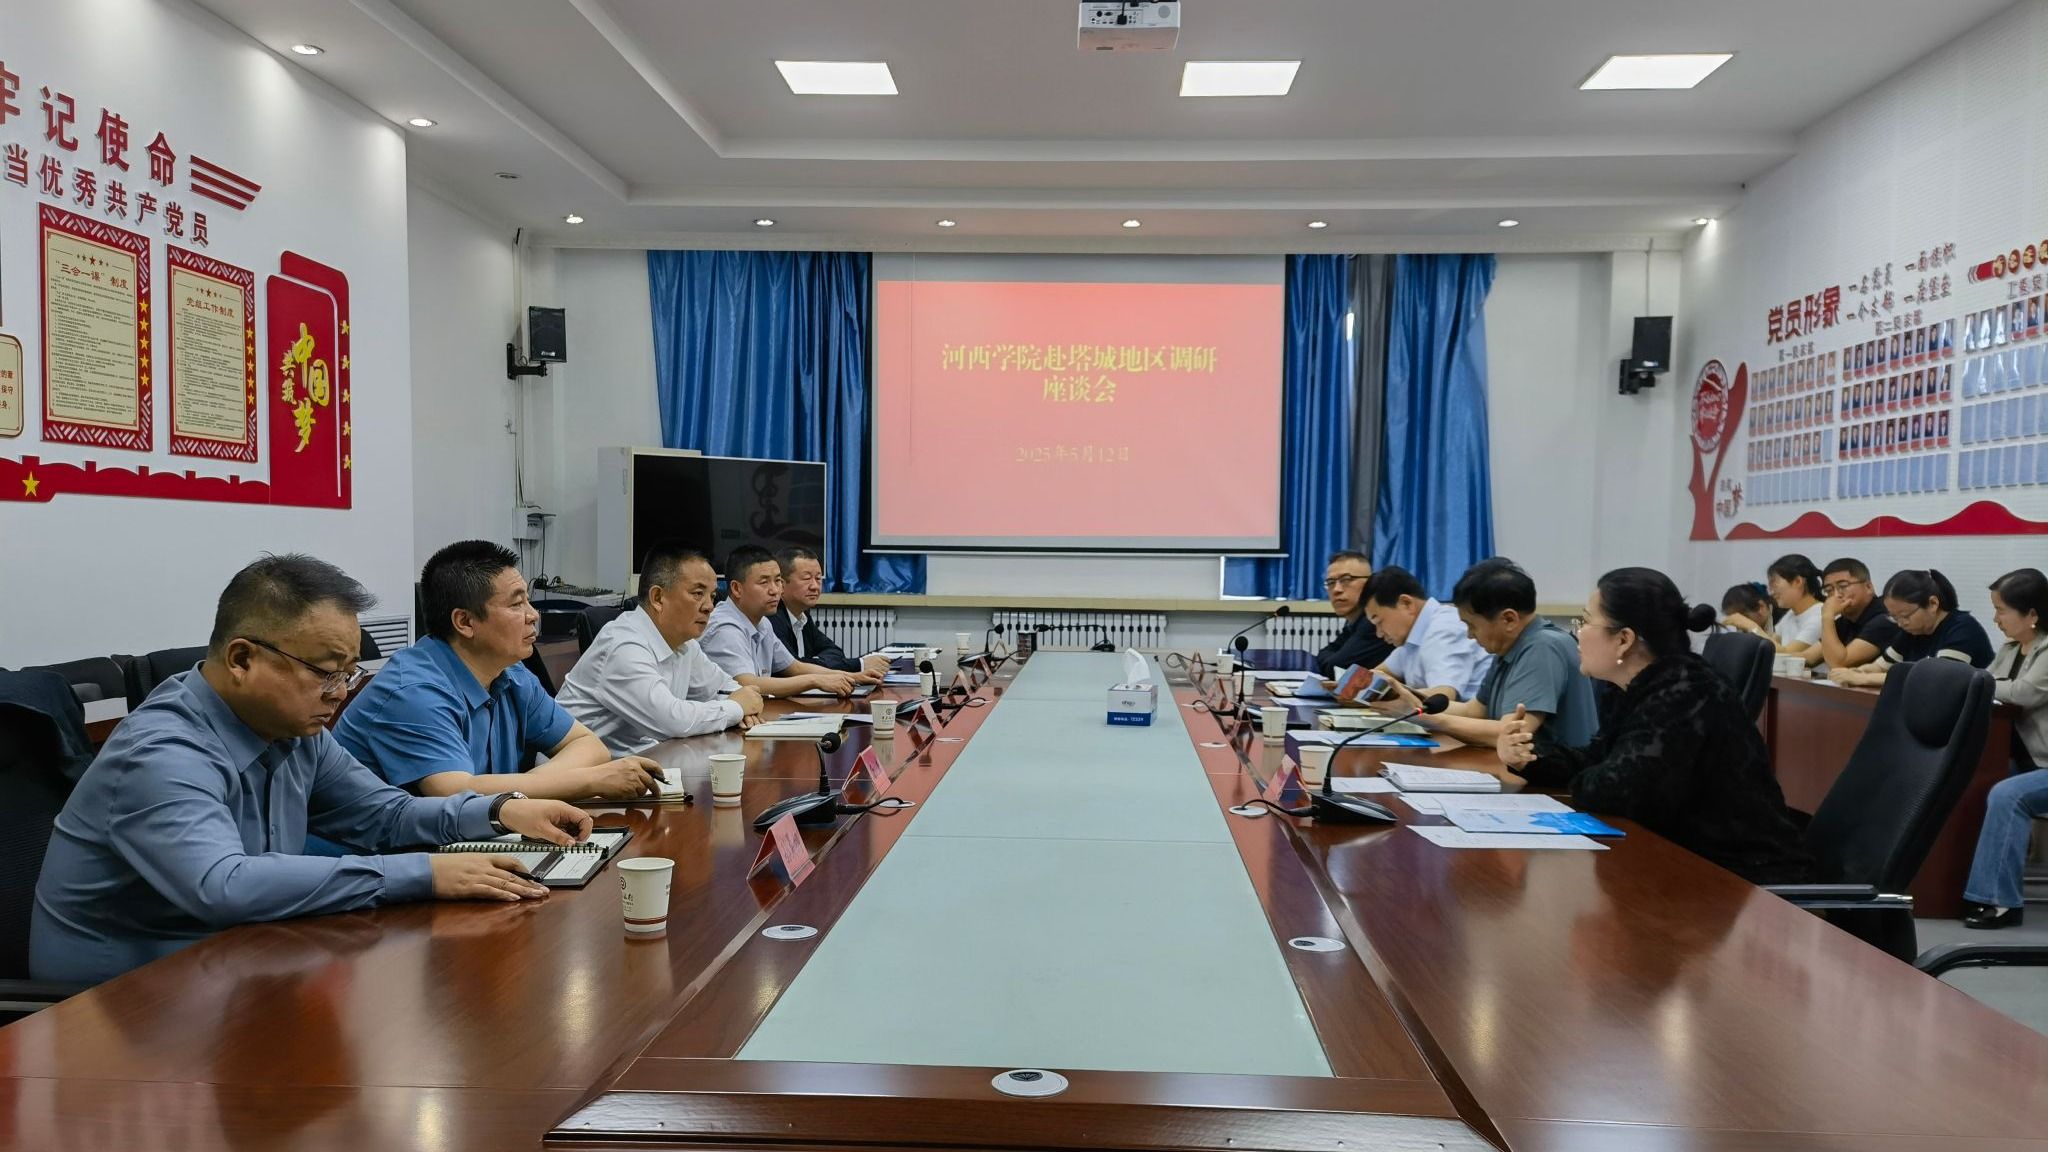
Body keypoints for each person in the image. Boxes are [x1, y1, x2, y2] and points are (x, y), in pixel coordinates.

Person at [30, 555, 593, 986]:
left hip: (237, 960)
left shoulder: (295, 731)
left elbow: (384, 815)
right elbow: (223, 885)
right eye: (326, 673)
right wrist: (423, 873)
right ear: (242, 659)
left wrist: (499, 811)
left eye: (348, 673)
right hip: (119, 1003)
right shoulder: (161, 752)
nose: (339, 694)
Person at [1498, 568, 1813, 886]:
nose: (1577, 634)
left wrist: (1589, 776)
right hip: (1687, 865)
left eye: (1585, 622)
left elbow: (1622, 791)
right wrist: (1530, 757)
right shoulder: (1635, 687)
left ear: (1624, 639)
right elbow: (1599, 760)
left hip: (1744, 880)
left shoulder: (1686, 692)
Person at [336, 540, 666, 801]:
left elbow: (588, 745)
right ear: (465, 621)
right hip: (371, 858)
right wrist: (586, 781)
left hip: (470, 842)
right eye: (516, 603)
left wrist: (524, 789)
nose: (533, 615)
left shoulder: (512, 674)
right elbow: (455, 793)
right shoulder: (413, 691)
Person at [556, 542, 765, 754]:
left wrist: (743, 704)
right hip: (577, 769)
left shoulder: (685, 643)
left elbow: (723, 688)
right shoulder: (623, 645)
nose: (709, 606)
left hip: (642, 758)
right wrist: (736, 708)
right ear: (658, 598)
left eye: (712, 596)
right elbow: (672, 721)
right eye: (697, 593)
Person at [1379, 557, 1597, 755]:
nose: (1469, 635)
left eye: (1472, 625)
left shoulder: (1543, 646)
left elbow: (1511, 732)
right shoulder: (1508, 646)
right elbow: (1473, 710)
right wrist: (1413, 701)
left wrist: (1427, 719)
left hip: (1560, 780)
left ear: (1509, 619)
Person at [1961, 568, 2048, 929]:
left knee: (2008, 795)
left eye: (2001, 610)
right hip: (2026, 760)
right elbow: (1984, 682)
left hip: (2043, 766)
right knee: (1967, 781)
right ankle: (1952, 885)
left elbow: (2022, 693)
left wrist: (1979, 680)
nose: (1995, 619)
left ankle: (2001, 902)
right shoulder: (2012, 649)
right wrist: (1980, 681)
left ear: (2032, 615)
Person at [700, 545, 878, 698]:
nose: (775, 590)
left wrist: (852, 677)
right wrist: (815, 681)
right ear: (737, 589)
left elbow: (795, 667)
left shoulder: (763, 623)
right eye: (764, 582)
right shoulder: (725, 628)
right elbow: (747, 683)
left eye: (777, 581)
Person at [1828, 569, 1994, 686]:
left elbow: (1935, 679)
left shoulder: (1962, 629)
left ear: (1933, 604)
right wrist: (1859, 672)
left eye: (1905, 616)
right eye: (1894, 618)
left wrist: (1864, 679)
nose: (1901, 623)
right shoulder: (1912, 631)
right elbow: (1881, 667)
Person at [1357, 566, 1492, 702]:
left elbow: (1442, 696)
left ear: (1406, 603)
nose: (1379, 633)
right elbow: (1377, 675)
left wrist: (1390, 697)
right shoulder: (1412, 636)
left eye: (1379, 622)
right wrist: (1352, 688)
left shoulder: (1443, 630)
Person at [768, 547, 891, 676]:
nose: (815, 586)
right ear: (781, 585)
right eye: (806, 578)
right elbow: (794, 668)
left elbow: (834, 651)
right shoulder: (773, 619)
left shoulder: (802, 615)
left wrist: (813, 662)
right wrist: (860, 664)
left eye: (818, 578)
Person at [1722, 554, 1826, 668]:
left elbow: (1786, 655)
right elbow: (1771, 644)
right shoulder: (1791, 614)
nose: (1771, 593)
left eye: (1774, 584)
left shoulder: (1820, 615)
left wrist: (1751, 626)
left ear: (1797, 581)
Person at [1314, 551, 1394, 678]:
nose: (1336, 590)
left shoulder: (1374, 623)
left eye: (1346, 580)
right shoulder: (1353, 620)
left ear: (1369, 584)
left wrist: (1328, 660)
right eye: (1331, 582)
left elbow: (1335, 668)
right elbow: (1325, 652)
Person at [1816, 558, 1898, 670]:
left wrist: (1827, 617)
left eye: (1843, 586)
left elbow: (1839, 663)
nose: (1836, 595)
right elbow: (1809, 657)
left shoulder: (1885, 619)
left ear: (1869, 587)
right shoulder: (1846, 620)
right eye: (1829, 590)